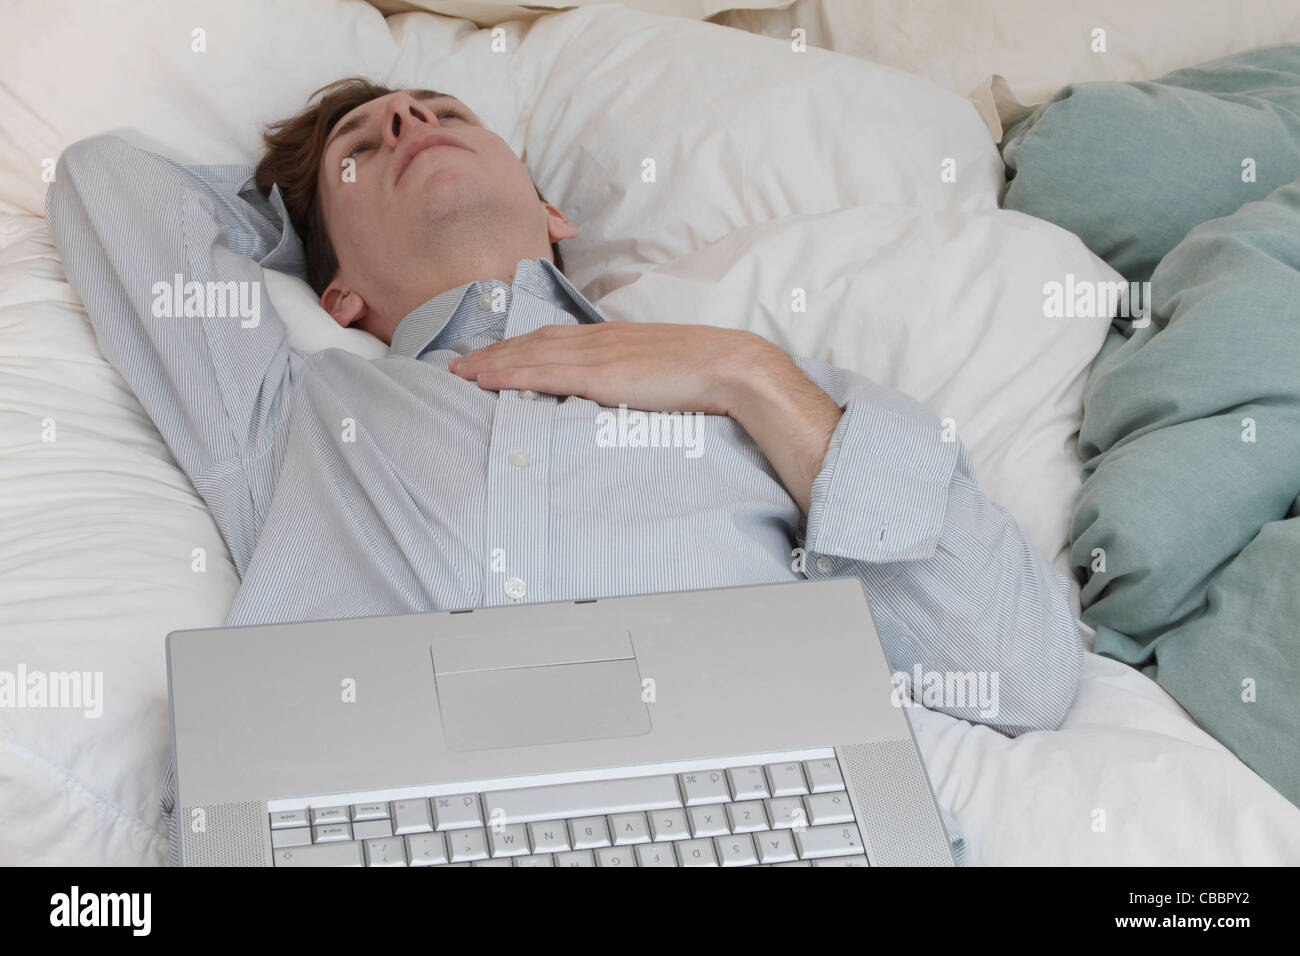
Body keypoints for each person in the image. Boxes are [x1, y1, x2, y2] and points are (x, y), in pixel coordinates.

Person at [45, 78, 1083, 861]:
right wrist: (291, 207)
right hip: (376, 823)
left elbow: (1023, 668)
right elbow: (105, 181)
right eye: (366, 146)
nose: (406, 122)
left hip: (741, 821)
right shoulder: (292, 410)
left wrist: (742, 373)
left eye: (439, 108)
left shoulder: (783, 399)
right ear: (337, 295)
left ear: (555, 215)